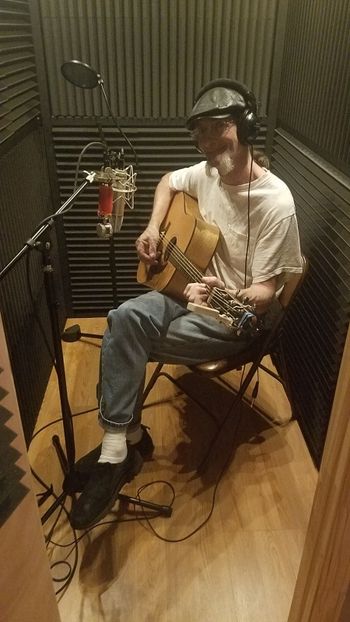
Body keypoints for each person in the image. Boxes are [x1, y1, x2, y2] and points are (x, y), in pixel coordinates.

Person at [70, 78, 303, 530]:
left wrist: (240, 294)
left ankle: (121, 448)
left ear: (244, 127)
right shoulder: (207, 172)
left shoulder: (278, 204)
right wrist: (156, 228)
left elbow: (268, 292)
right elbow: (166, 182)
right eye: (200, 133)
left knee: (124, 335)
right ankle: (125, 443)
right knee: (123, 317)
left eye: (217, 130)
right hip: (185, 291)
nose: (208, 144)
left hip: (227, 318)